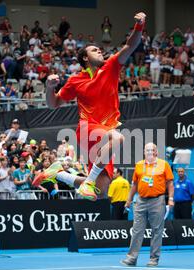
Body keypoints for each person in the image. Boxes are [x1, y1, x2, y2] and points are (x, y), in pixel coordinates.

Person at [38, 12, 147, 202]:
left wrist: (139, 26)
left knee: (101, 190)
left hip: (106, 131)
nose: (100, 51)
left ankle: (58, 174)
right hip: (89, 128)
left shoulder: (111, 66)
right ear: (85, 58)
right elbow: (53, 104)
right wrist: (49, 88)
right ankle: (87, 181)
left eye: (100, 49)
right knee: (118, 137)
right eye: (95, 50)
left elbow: (130, 45)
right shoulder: (75, 80)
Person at [120, 143, 174, 267]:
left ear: (156, 152)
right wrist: (128, 200)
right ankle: (131, 258)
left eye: (152, 150)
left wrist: (170, 199)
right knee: (137, 230)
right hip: (140, 200)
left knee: (157, 230)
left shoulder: (164, 164)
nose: (150, 152)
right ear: (144, 152)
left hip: (157, 200)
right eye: (147, 150)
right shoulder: (139, 165)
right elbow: (134, 184)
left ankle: (154, 259)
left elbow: (170, 183)